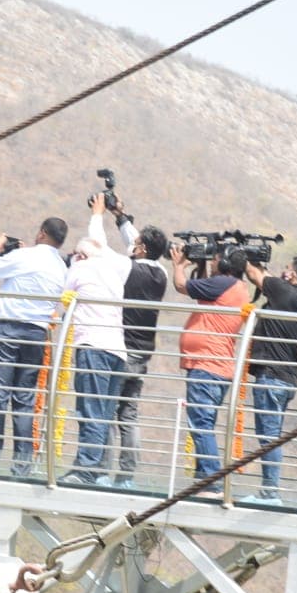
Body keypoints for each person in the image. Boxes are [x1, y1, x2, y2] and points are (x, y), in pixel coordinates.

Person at [0, 217, 68, 477]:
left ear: (42, 233)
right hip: (37, 333)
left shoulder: (28, 256)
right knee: (24, 399)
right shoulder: (61, 266)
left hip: (9, 329)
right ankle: (21, 467)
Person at [91, 194, 168, 489]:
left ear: (142, 249)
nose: (131, 247)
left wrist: (98, 214)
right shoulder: (159, 273)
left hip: (121, 351)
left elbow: (100, 246)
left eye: (135, 246)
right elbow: (140, 243)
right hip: (144, 354)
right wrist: (120, 216)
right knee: (129, 415)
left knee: (107, 411)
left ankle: (100, 472)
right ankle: (126, 476)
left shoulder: (128, 268)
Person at [171, 242, 251, 496]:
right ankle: (203, 477)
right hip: (216, 365)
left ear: (226, 263)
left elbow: (182, 286)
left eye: (215, 259)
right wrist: (202, 265)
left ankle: (210, 480)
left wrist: (178, 266)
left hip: (207, 364)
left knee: (201, 423)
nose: (213, 262)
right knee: (203, 422)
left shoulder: (223, 283)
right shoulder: (232, 287)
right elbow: (201, 291)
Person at [240, 256, 297, 505]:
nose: (284, 272)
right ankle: (268, 491)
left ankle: (270, 493)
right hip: (285, 377)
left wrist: (242, 256)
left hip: (272, 375)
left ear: (293, 276)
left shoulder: (284, 292)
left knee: (269, 436)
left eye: (287, 269)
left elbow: (253, 274)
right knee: (270, 435)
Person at [57, 235, 127, 486]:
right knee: (103, 414)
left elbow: (63, 296)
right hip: (117, 350)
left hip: (93, 345)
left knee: (90, 410)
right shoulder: (113, 274)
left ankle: (85, 469)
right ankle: (94, 469)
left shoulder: (81, 268)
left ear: (82, 256)